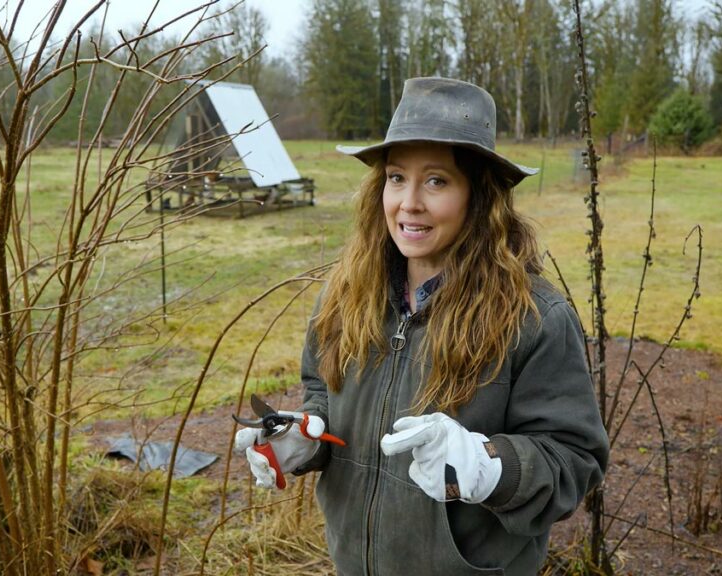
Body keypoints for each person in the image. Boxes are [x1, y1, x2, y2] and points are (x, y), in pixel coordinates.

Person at [234, 77, 609, 576]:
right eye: (395, 178)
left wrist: (488, 465)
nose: (409, 202)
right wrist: (304, 438)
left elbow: (573, 461)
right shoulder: (347, 294)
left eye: (436, 180)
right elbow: (322, 391)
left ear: (479, 196)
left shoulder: (533, 318)